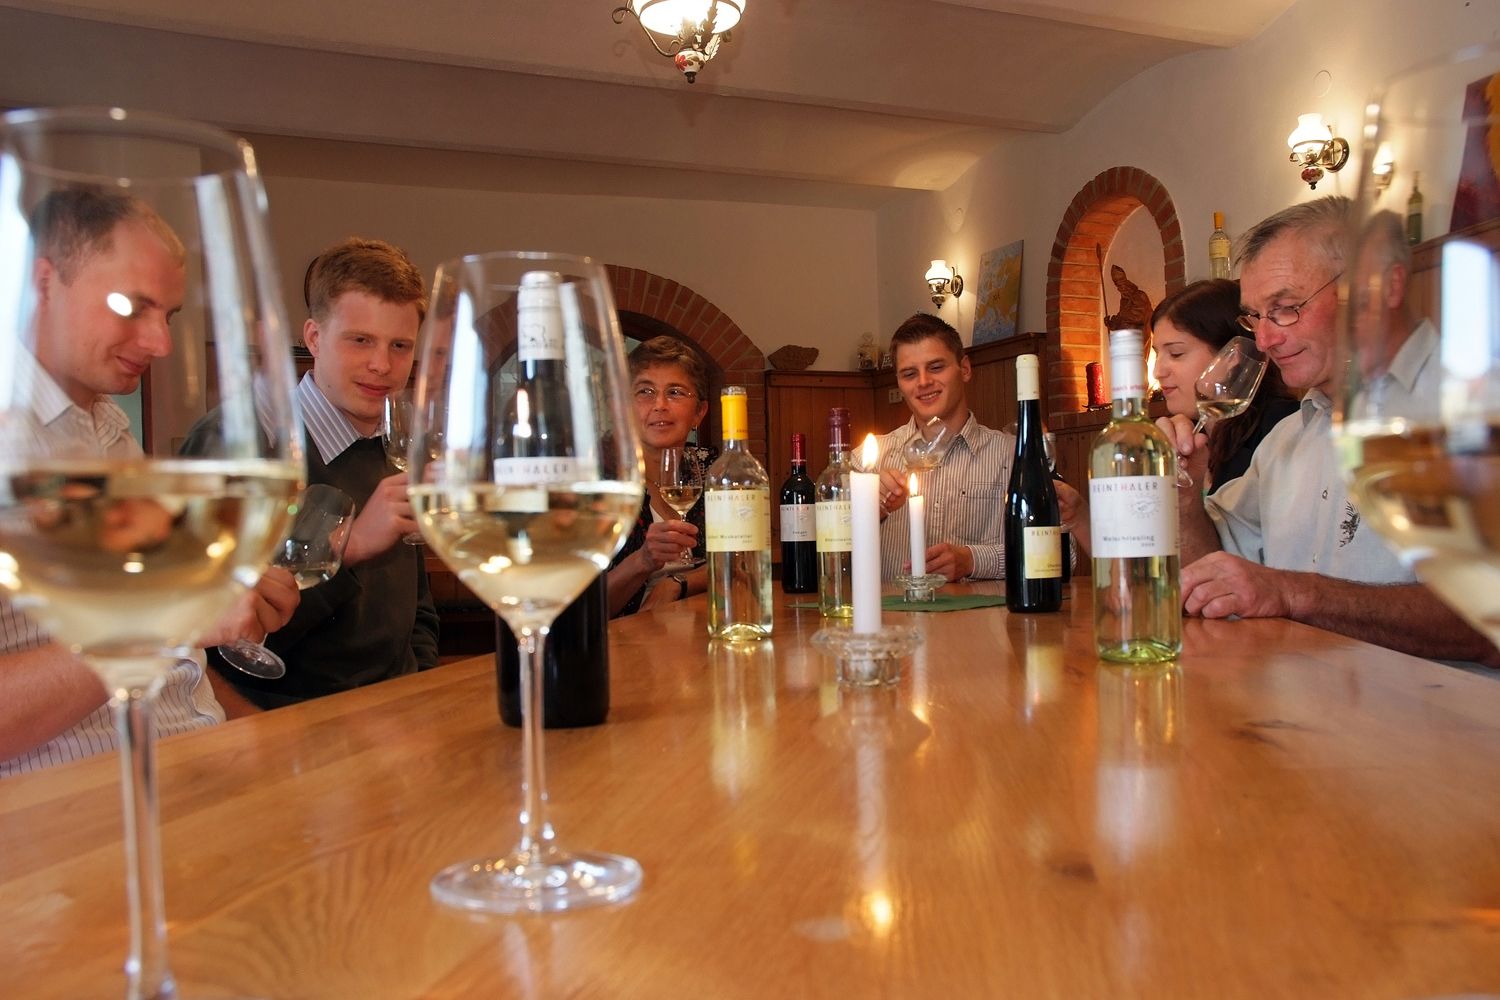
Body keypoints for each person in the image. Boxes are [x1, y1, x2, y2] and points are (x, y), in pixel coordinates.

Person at [1, 188, 299, 777]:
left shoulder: (108, 428)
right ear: (44, 284)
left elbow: (174, 671)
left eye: (169, 315)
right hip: (73, 812)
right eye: (131, 306)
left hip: (195, 771)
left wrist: (260, 736)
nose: (160, 342)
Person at [1158, 195, 1497, 665]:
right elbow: (1209, 577)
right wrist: (1184, 498)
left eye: (1285, 307)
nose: (1264, 341)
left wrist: (1294, 594)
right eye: (1255, 316)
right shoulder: (1286, 441)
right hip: (1293, 707)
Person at [180, 237, 441, 707]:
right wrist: (349, 546)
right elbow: (209, 646)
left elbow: (416, 605)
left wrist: (417, 679)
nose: (382, 365)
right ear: (314, 338)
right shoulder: (234, 444)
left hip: (399, 718)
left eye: (400, 346)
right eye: (360, 340)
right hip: (284, 725)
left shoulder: (397, 446)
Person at [873, 313, 1014, 581]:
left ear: (965, 369)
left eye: (936, 367)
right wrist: (867, 511)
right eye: (909, 374)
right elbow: (824, 548)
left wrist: (974, 560)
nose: (923, 382)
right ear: (899, 384)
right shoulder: (869, 461)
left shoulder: (1012, 455)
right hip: (895, 608)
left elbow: (1063, 553)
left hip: (987, 610)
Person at [1153, 279, 1301, 494]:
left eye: (1176, 353)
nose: (1158, 372)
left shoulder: (1284, 430)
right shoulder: (1189, 440)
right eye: (1157, 354)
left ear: (1232, 356)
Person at [606, 336, 711, 616]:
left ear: (699, 413)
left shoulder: (714, 471)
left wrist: (675, 583)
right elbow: (580, 611)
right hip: (626, 639)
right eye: (645, 391)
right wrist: (643, 561)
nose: (660, 404)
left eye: (675, 392)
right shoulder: (599, 488)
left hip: (705, 631)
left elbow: (742, 562)